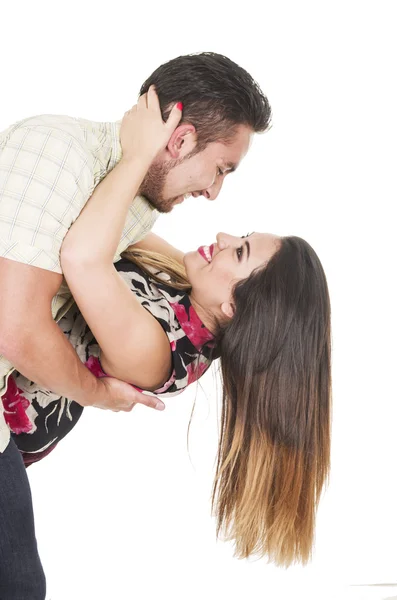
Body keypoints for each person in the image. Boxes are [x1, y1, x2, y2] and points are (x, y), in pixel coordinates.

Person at [1, 88, 331, 599]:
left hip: (6, 432)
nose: (221, 234)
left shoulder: (162, 352)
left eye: (238, 251)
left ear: (235, 308)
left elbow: (85, 255)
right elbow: (106, 223)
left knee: (20, 587)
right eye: (239, 235)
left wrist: (136, 156)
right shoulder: (184, 284)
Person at [0, 51, 272, 458]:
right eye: (221, 168)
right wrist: (97, 394)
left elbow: (82, 255)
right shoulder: (59, 153)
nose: (214, 193)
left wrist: (138, 156)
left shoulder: (136, 210)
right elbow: (17, 324)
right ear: (180, 140)